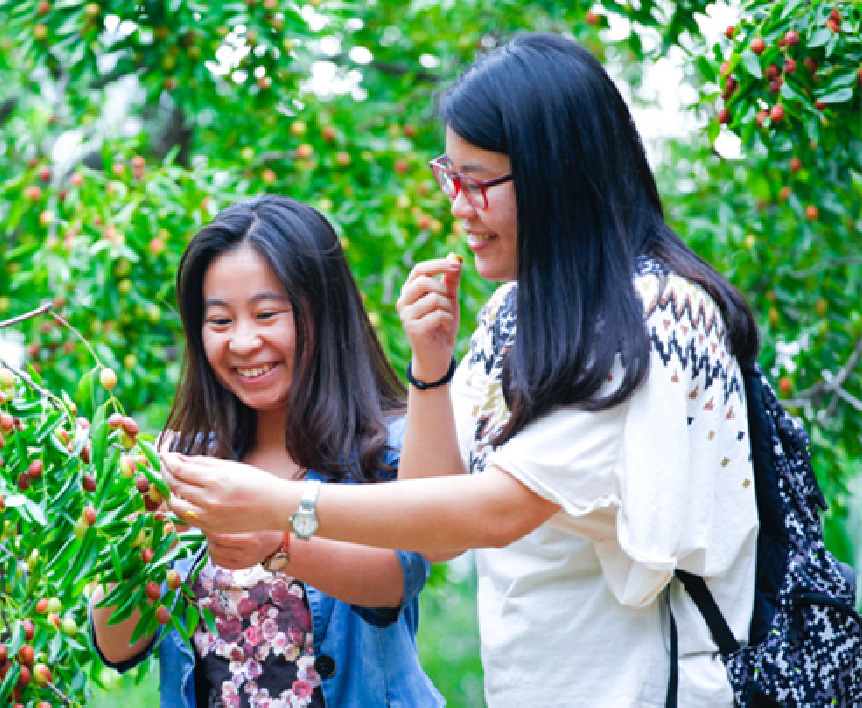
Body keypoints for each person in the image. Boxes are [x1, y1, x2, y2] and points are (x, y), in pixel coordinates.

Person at [161, 33, 761, 707]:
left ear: (553, 173)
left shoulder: (664, 312)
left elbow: (499, 510)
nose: (458, 206)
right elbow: (432, 522)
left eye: (476, 182)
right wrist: (431, 366)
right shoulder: (514, 314)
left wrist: (277, 512)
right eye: (451, 177)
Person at [90, 195, 445, 707]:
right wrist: (129, 520)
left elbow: (395, 579)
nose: (243, 341)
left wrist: (278, 542)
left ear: (320, 313)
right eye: (219, 321)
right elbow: (118, 643)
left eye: (266, 313)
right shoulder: (185, 461)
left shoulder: (385, 445)